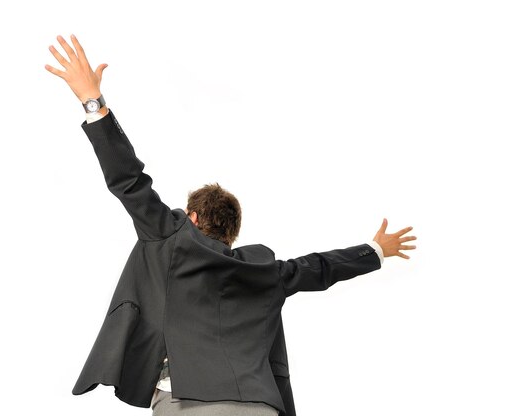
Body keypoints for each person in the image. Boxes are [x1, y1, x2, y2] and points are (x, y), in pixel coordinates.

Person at [45, 34, 417, 416]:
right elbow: (320, 267)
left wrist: (94, 103)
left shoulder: (171, 238)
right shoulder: (265, 271)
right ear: (231, 234)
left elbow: (129, 180)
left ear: (190, 218)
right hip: (260, 405)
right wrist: (375, 251)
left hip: (187, 402)